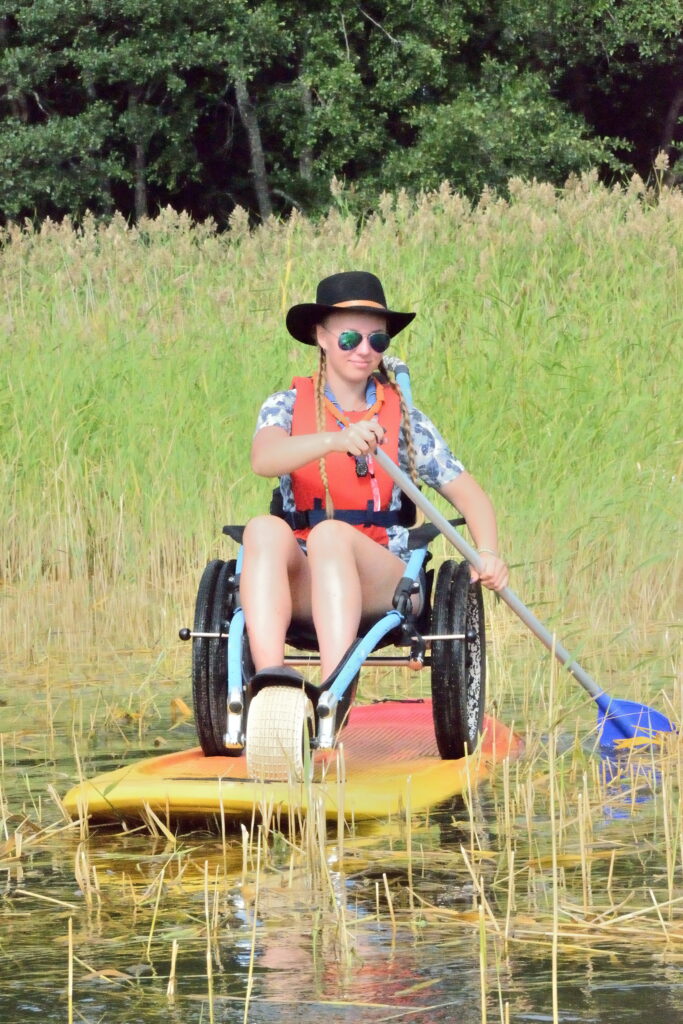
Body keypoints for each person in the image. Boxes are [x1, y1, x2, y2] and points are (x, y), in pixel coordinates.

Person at [240, 271, 509, 685]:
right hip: (304, 579)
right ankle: (271, 680)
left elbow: (472, 497)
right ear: (322, 338)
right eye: (350, 338)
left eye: (377, 340)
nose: (364, 351)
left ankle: (333, 691)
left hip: (382, 578)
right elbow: (265, 458)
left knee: (331, 536)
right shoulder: (285, 406)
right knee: (262, 529)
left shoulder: (406, 421)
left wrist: (488, 552)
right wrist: (334, 440)